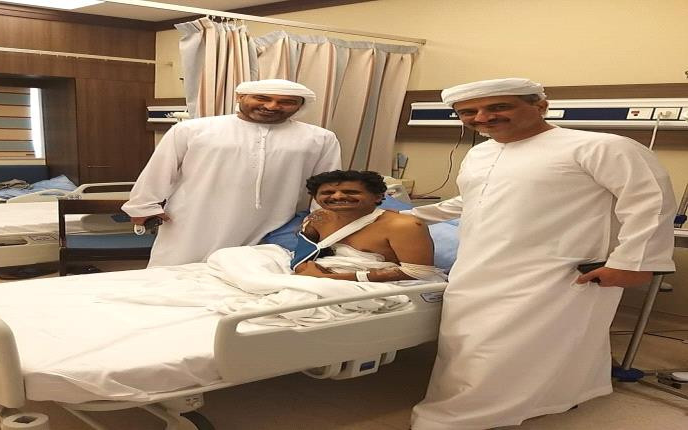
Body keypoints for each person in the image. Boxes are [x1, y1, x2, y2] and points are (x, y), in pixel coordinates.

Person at [408, 78, 677, 429]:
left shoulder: (599, 147)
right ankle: (556, 397)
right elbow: (473, 200)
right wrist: (407, 216)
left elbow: (650, 201)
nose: (482, 117)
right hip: (479, 264)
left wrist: (633, 262)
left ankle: (457, 417)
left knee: (505, 346)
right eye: (468, 112)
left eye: (498, 107)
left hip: (557, 271)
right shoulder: (479, 153)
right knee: (475, 343)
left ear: (540, 106)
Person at [123, 79, 341, 266]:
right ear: (240, 97)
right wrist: (144, 205)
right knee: (174, 276)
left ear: (300, 106)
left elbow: (329, 186)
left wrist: (323, 222)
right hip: (194, 221)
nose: (272, 106)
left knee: (249, 279)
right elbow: (160, 169)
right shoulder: (193, 129)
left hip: (273, 223)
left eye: (287, 102)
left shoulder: (320, 138)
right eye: (262, 98)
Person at [292, 170, 446, 283]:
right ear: (315, 197)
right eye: (328, 192)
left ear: (378, 196)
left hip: (381, 287)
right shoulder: (318, 218)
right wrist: (306, 271)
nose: (337, 196)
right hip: (317, 279)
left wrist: (331, 278)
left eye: (350, 192)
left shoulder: (405, 226)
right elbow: (302, 256)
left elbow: (419, 273)